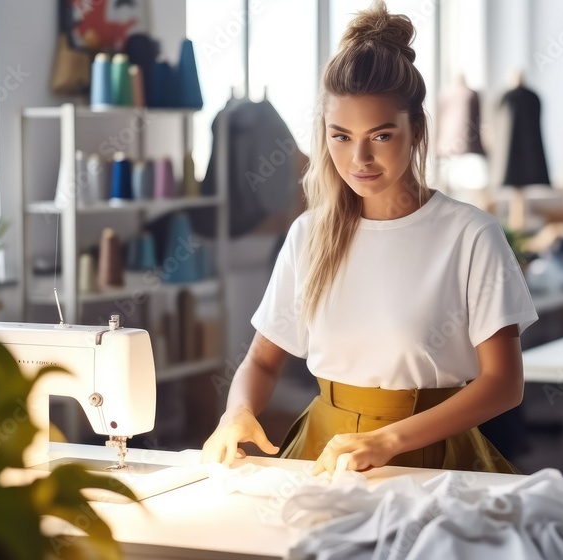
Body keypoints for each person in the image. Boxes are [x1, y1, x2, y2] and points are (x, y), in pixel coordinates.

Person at [201, 0, 538, 477]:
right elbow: (261, 360)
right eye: (340, 136)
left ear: (416, 129)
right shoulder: (309, 234)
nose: (359, 157)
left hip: (431, 456)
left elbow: (505, 384)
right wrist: (238, 411)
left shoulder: (471, 234)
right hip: (322, 453)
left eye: (380, 136)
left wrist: (389, 439)